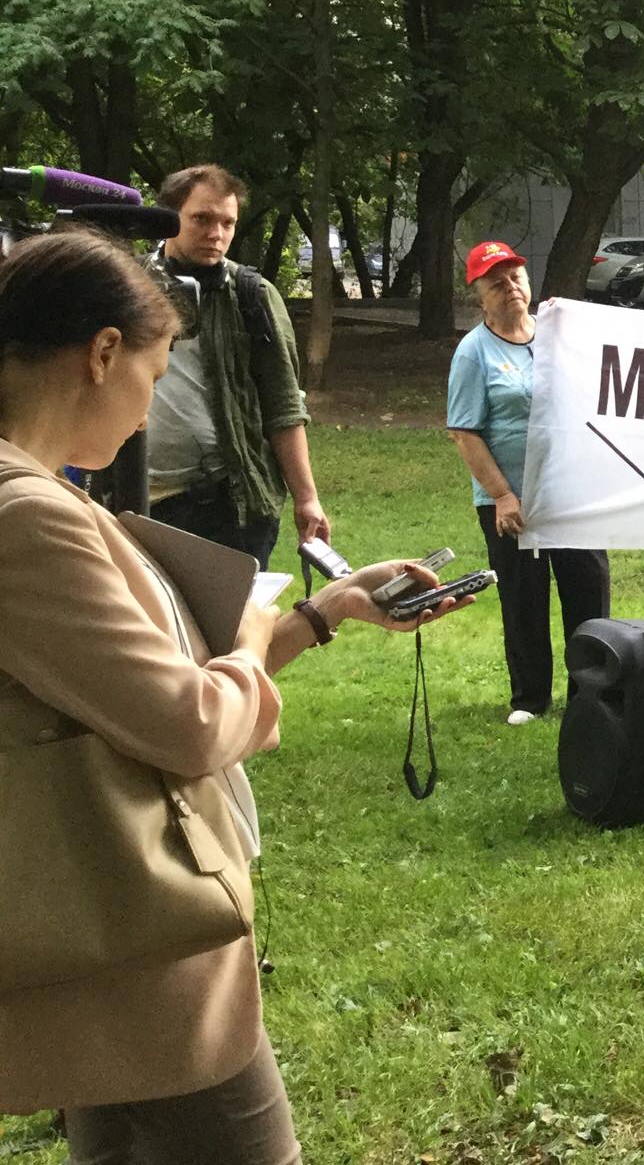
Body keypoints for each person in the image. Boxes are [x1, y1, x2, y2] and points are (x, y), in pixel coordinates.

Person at [0, 228, 467, 1161]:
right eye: (156, 373)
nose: (149, 408)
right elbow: (188, 720)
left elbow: (138, 687)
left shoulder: (43, 495)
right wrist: (254, 639)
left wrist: (327, 609)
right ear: (101, 353)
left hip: (110, 930)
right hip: (144, 940)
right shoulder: (26, 518)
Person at [447, 241, 611, 725]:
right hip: (511, 498)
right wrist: (502, 494)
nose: (510, 287)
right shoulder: (473, 353)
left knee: (588, 587)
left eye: (515, 276)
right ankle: (530, 698)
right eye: (495, 283)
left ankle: (592, 693)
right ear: (479, 295)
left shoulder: (559, 336)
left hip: (569, 491)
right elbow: (464, 432)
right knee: (524, 597)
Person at [147, 165, 329, 563]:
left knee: (234, 607)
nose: (216, 234)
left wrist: (307, 498)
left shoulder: (252, 295)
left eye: (227, 223)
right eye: (202, 219)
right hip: (138, 498)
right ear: (167, 218)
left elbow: (283, 403)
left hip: (230, 505)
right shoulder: (129, 286)